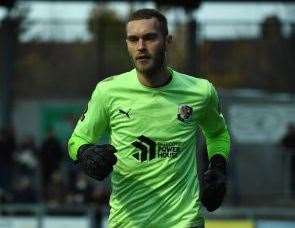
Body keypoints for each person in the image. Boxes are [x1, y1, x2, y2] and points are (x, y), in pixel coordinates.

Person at [68, 8, 230, 228]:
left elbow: (217, 133)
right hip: (127, 222)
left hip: (183, 222)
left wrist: (218, 166)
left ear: (167, 40)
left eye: (150, 37)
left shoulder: (200, 91)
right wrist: (86, 153)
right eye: (133, 39)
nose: (141, 47)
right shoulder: (108, 92)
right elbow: (76, 140)